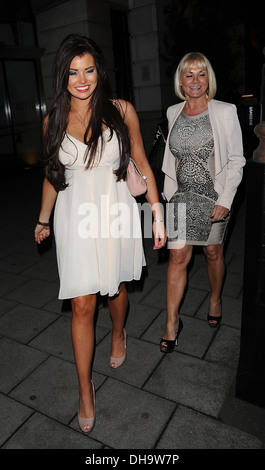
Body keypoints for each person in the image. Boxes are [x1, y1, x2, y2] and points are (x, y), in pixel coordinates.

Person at [34, 34, 166, 433]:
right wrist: (42, 220)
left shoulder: (121, 110)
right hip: (74, 216)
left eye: (88, 69)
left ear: (98, 71)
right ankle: (85, 389)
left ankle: (120, 332)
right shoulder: (52, 121)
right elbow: (53, 177)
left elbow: (141, 162)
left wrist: (158, 216)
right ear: (63, 76)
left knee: (116, 290)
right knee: (82, 304)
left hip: (114, 211)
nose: (82, 79)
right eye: (73, 72)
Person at [160, 52, 245, 353]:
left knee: (212, 252)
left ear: (209, 78)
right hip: (181, 195)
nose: (195, 80)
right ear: (180, 80)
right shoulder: (173, 112)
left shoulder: (224, 111)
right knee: (178, 257)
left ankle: (215, 298)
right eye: (189, 74)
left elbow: (236, 159)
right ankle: (171, 322)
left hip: (214, 194)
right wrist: (167, 197)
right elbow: (171, 158)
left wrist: (226, 199)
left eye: (201, 74)